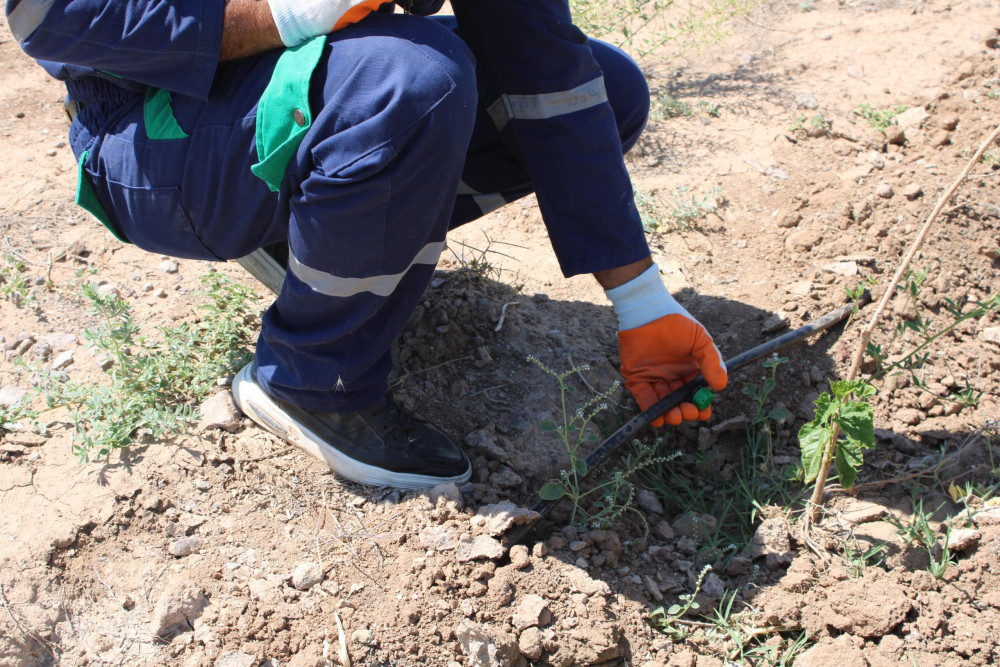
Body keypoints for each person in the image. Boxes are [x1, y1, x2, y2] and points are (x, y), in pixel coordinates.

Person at [7, 0, 728, 490]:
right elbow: (50, 16)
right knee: (411, 83)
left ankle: (311, 231)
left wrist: (639, 299)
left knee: (608, 91)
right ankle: (312, 380)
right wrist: (288, 13)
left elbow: (542, 66)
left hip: (304, 87)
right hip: (153, 125)